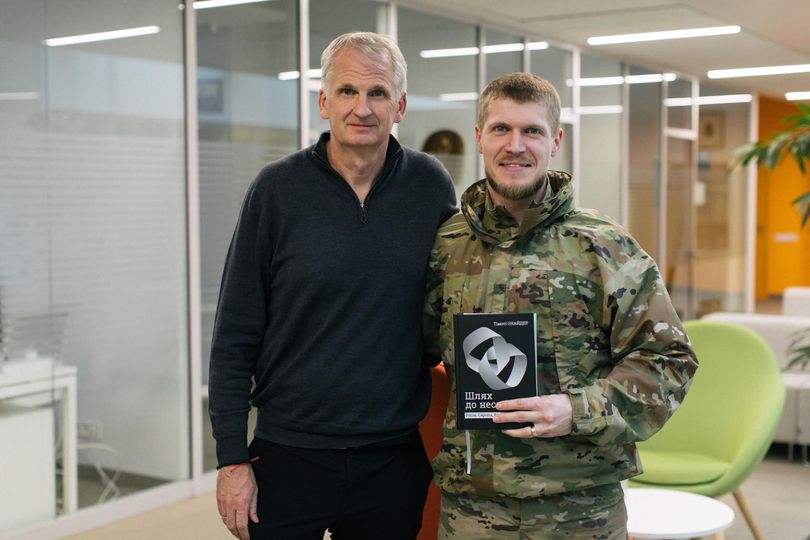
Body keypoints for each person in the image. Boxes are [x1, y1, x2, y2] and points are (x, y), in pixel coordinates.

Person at [423, 72, 698, 539]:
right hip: (471, 508)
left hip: (580, 509)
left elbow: (670, 361)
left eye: (532, 130)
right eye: (501, 129)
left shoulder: (602, 245)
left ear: (556, 141)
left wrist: (577, 408)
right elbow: (412, 350)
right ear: (479, 138)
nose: (516, 145)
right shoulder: (446, 245)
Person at [209, 31, 456, 540]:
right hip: (287, 456)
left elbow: (458, 294)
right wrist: (233, 458)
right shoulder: (276, 191)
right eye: (347, 91)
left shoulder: (429, 186)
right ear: (324, 102)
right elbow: (235, 332)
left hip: (390, 460)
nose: (361, 108)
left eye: (378, 93)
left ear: (401, 106)